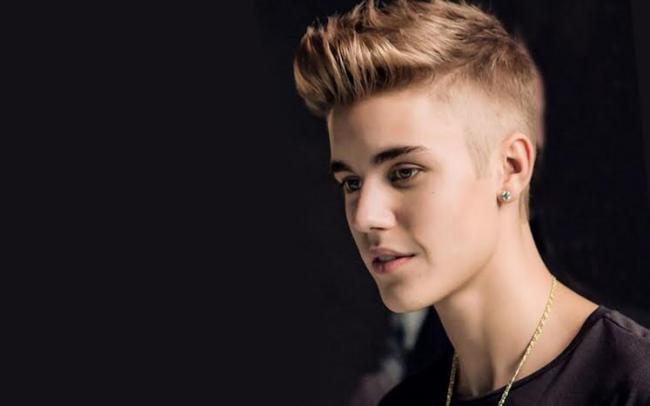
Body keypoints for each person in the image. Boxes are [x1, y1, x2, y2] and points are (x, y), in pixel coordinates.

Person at [292, 0, 650, 404]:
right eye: (352, 182)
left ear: (511, 168)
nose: (364, 216)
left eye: (404, 172)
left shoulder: (633, 384)